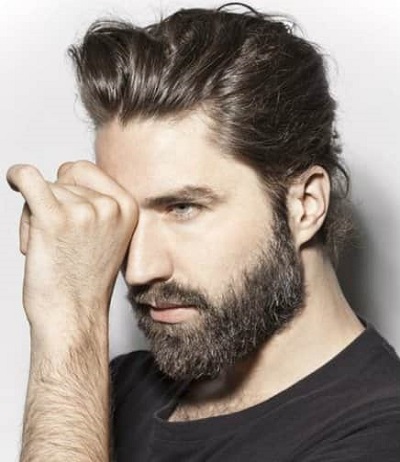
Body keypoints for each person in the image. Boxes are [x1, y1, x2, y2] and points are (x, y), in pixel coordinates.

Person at [7, 3, 400, 461]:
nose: (138, 269)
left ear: (305, 205)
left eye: (182, 208)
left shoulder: (379, 435)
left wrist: (69, 325)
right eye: (125, 215)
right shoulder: (112, 388)